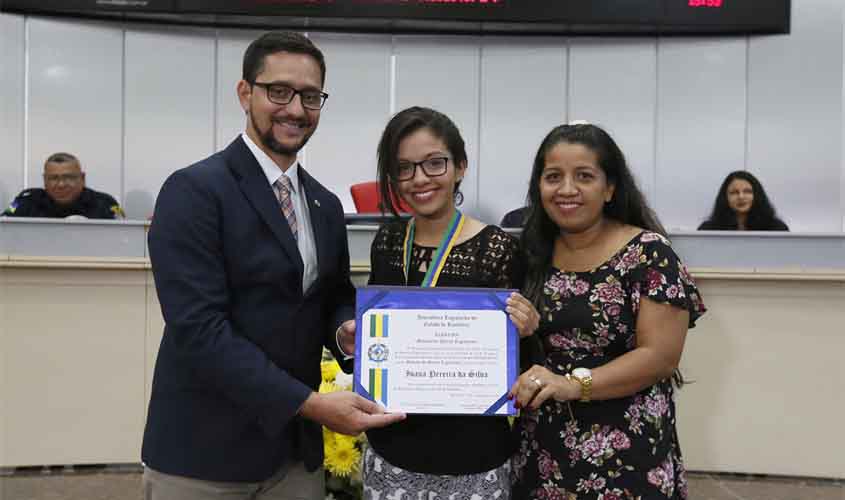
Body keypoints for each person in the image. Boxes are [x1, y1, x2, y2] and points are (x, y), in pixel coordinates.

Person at [141, 31, 403, 500]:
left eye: (309, 96)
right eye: (278, 91)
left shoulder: (323, 202)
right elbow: (199, 328)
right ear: (245, 93)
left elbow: (332, 293)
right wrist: (311, 405)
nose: (296, 109)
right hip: (204, 453)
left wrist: (344, 327)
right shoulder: (195, 191)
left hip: (291, 458)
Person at [509, 123, 706, 499]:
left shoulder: (649, 253)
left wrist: (571, 385)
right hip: (541, 451)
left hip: (626, 454)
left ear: (610, 187)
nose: (567, 189)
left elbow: (660, 357)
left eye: (584, 176)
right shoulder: (532, 253)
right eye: (553, 177)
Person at [363, 106, 540, 499]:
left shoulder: (499, 249)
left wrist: (529, 329)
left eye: (434, 163)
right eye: (404, 168)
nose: (419, 179)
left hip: (473, 456)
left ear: (460, 166)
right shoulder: (388, 242)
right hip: (393, 452)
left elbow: (523, 362)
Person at [2, 152, 123, 219]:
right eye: (54, 178)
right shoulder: (24, 201)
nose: (61, 184)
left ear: (83, 178)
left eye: (69, 177)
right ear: (44, 180)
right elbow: (3, 225)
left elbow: (126, 235)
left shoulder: (107, 203)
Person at [698, 170, 789, 230]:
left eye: (747, 192)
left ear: (757, 195)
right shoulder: (708, 229)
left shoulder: (777, 228)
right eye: (734, 192)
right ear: (725, 198)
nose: (741, 197)